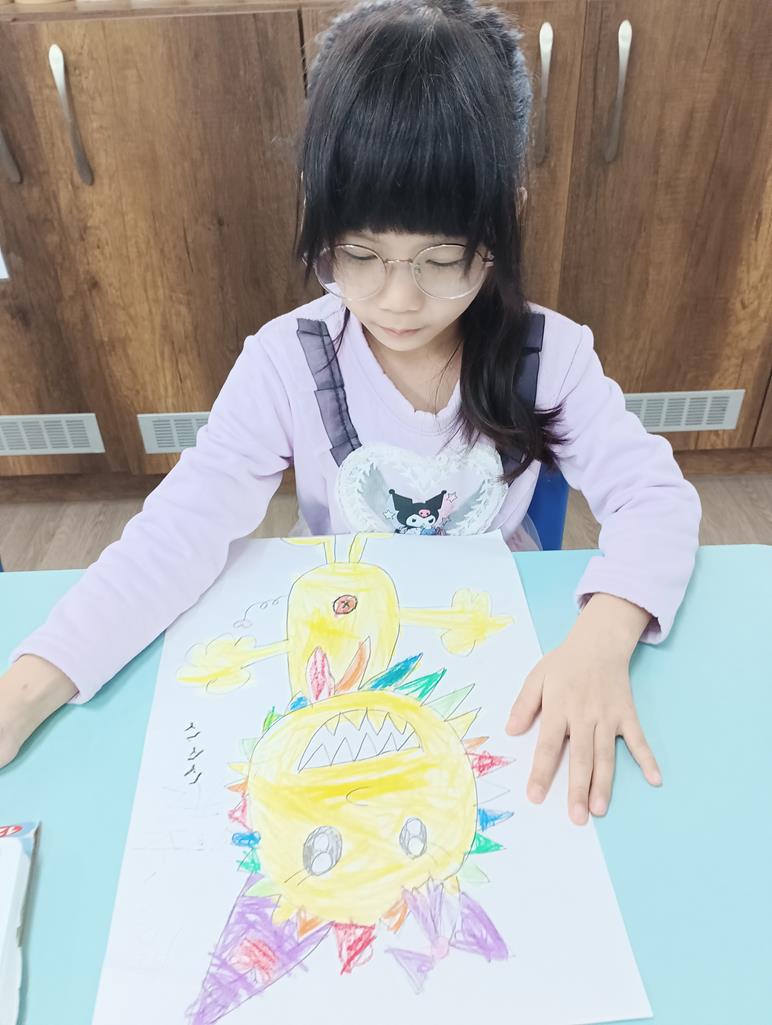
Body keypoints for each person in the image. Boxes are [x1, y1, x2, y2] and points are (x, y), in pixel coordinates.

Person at [0, 0, 700, 826]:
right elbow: (175, 534)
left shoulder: (550, 355)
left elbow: (655, 498)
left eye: (442, 257)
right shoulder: (288, 362)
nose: (397, 299)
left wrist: (604, 634)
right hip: (335, 653)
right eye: (359, 253)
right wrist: (26, 689)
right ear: (319, 211)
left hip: (500, 662)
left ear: (505, 214)